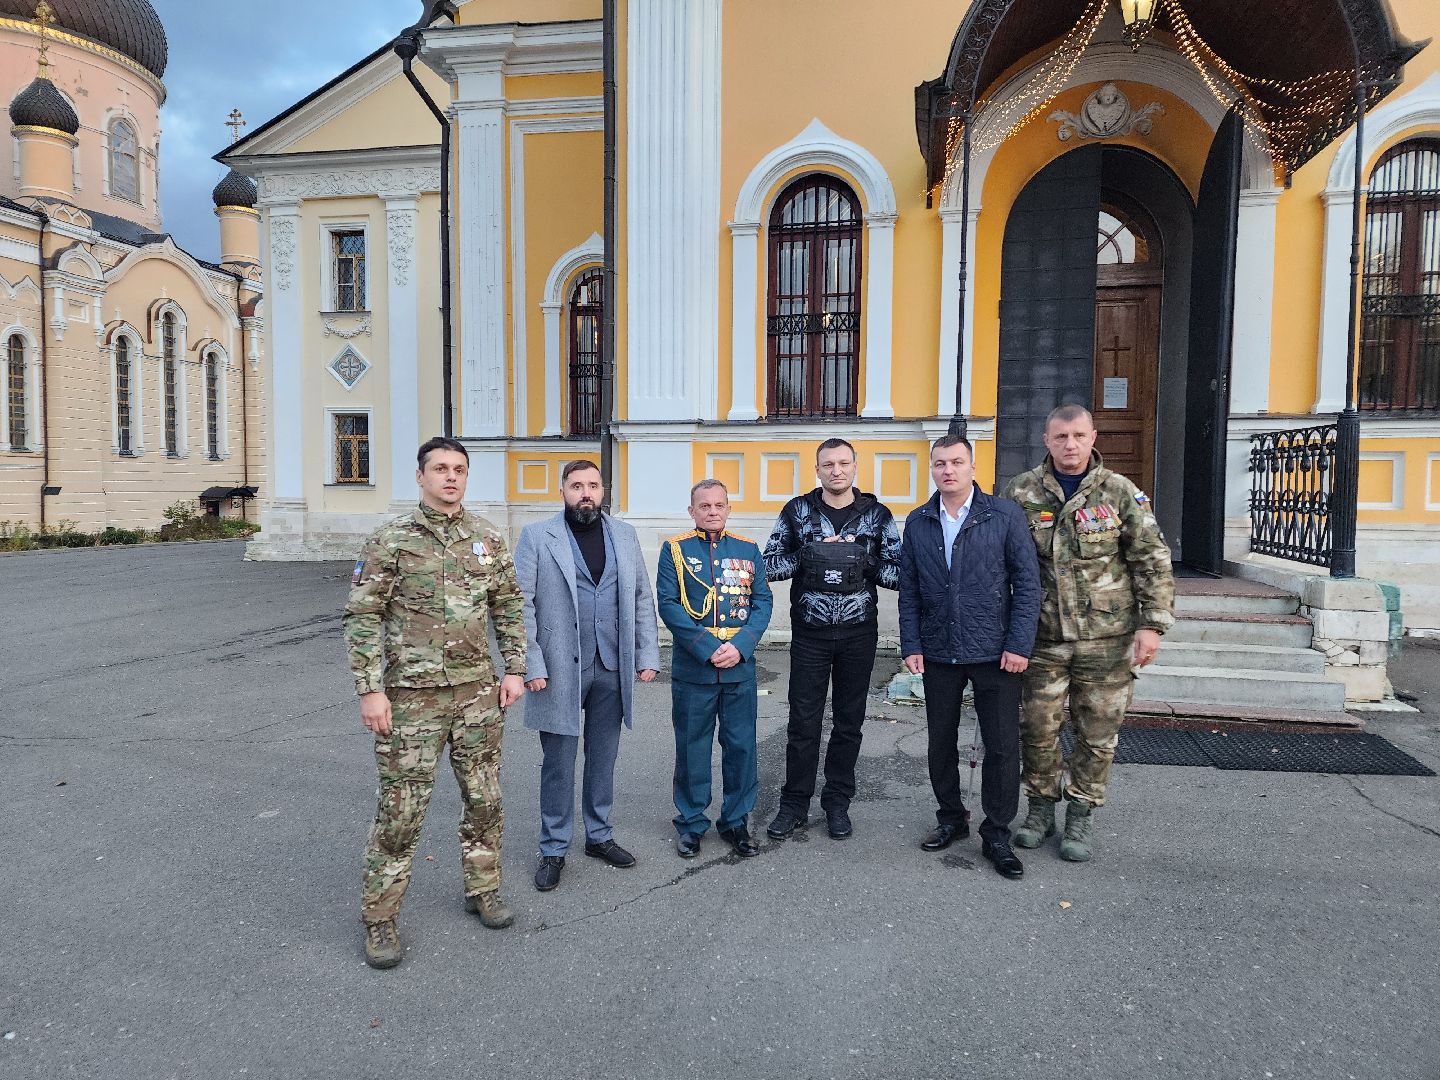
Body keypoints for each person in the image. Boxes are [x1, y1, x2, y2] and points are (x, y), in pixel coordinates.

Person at [344, 436, 527, 969]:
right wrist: (370, 688)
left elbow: (508, 605)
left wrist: (515, 668)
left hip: (477, 693)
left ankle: (483, 888)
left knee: (485, 800)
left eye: (460, 469)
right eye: (441, 468)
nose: (451, 477)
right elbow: (362, 615)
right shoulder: (392, 539)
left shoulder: (487, 538)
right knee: (401, 813)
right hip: (411, 699)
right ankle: (380, 919)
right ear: (420, 476)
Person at [1001, 405, 1174, 862]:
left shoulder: (1119, 493)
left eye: (1078, 435)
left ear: (1093, 436)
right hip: (1042, 635)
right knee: (1037, 728)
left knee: (1098, 733)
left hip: (1107, 636)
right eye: (1061, 436)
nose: (1070, 444)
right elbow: (1003, 564)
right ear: (1046, 440)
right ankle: (1040, 809)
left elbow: (1151, 559)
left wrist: (1152, 625)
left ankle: (1081, 811)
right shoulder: (1019, 492)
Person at [898, 435, 1041, 880]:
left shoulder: (1004, 515)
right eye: (939, 463)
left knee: (1001, 745)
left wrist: (1019, 644)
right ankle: (950, 817)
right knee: (940, 740)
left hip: (996, 652)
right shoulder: (920, 521)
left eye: (957, 462)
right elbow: (910, 590)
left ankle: (996, 832)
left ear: (973, 466)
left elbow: (1028, 584)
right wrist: (911, 644)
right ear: (932, 470)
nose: (948, 471)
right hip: (939, 650)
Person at [513, 460, 660, 893]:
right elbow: (518, 604)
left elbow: (640, 597)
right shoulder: (538, 537)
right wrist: (531, 663)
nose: (585, 493)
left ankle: (599, 835)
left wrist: (646, 652)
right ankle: (554, 847)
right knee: (558, 763)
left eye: (593, 485)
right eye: (576, 485)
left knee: (603, 757)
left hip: (611, 667)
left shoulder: (624, 534)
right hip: (557, 670)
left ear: (603, 490)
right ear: (562, 490)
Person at [761, 438, 901, 841]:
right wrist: (809, 555)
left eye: (843, 463)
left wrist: (861, 558)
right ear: (817, 469)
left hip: (859, 634)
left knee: (848, 723)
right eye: (828, 464)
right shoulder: (798, 511)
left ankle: (837, 803)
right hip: (811, 633)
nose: (836, 470)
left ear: (855, 466)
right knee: (803, 723)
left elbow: (900, 574)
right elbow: (769, 565)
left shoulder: (877, 515)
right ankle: (794, 805)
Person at [655, 479, 773, 859]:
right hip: (695, 670)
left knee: (740, 748)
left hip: (739, 668)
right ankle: (691, 824)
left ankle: (736, 821)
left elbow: (762, 602)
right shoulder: (675, 550)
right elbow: (669, 605)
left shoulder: (748, 549)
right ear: (692, 511)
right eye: (704, 505)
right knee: (693, 749)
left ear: (728, 508)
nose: (712, 511)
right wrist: (708, 648)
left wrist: (740, 647)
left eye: (719, 504)